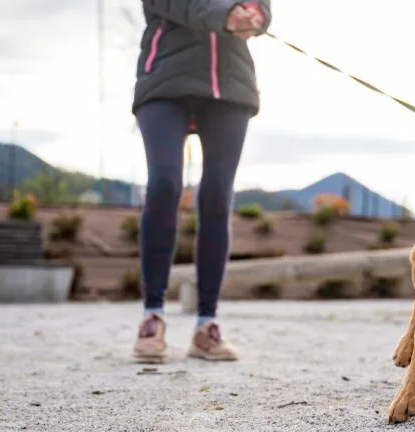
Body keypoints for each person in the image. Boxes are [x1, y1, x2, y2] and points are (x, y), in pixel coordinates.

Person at [131, 0, 272, 363]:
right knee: (164, 184)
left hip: (230, 86)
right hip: (164, 79)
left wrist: (255, 16)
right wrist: (224, 14)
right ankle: (152, 316)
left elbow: (260, 6)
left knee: (217, 195)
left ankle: (206, 325)